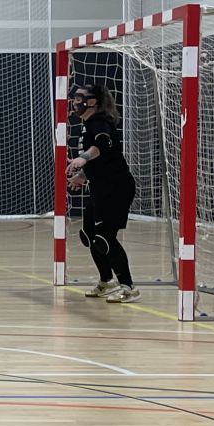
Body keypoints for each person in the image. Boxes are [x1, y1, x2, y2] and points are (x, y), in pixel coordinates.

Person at [67, 84, 139, 303]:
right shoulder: (87, 124)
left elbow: (101, 145)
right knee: (89, 234)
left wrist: (83, 159)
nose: (75, 102)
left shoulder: (100, 121)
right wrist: (83, 176)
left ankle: (128, 287)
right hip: (100, 186)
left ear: (92, 102)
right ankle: (107, 280)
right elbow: (104, 158)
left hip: (116, 187)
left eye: (79, 98)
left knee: (105, 237)